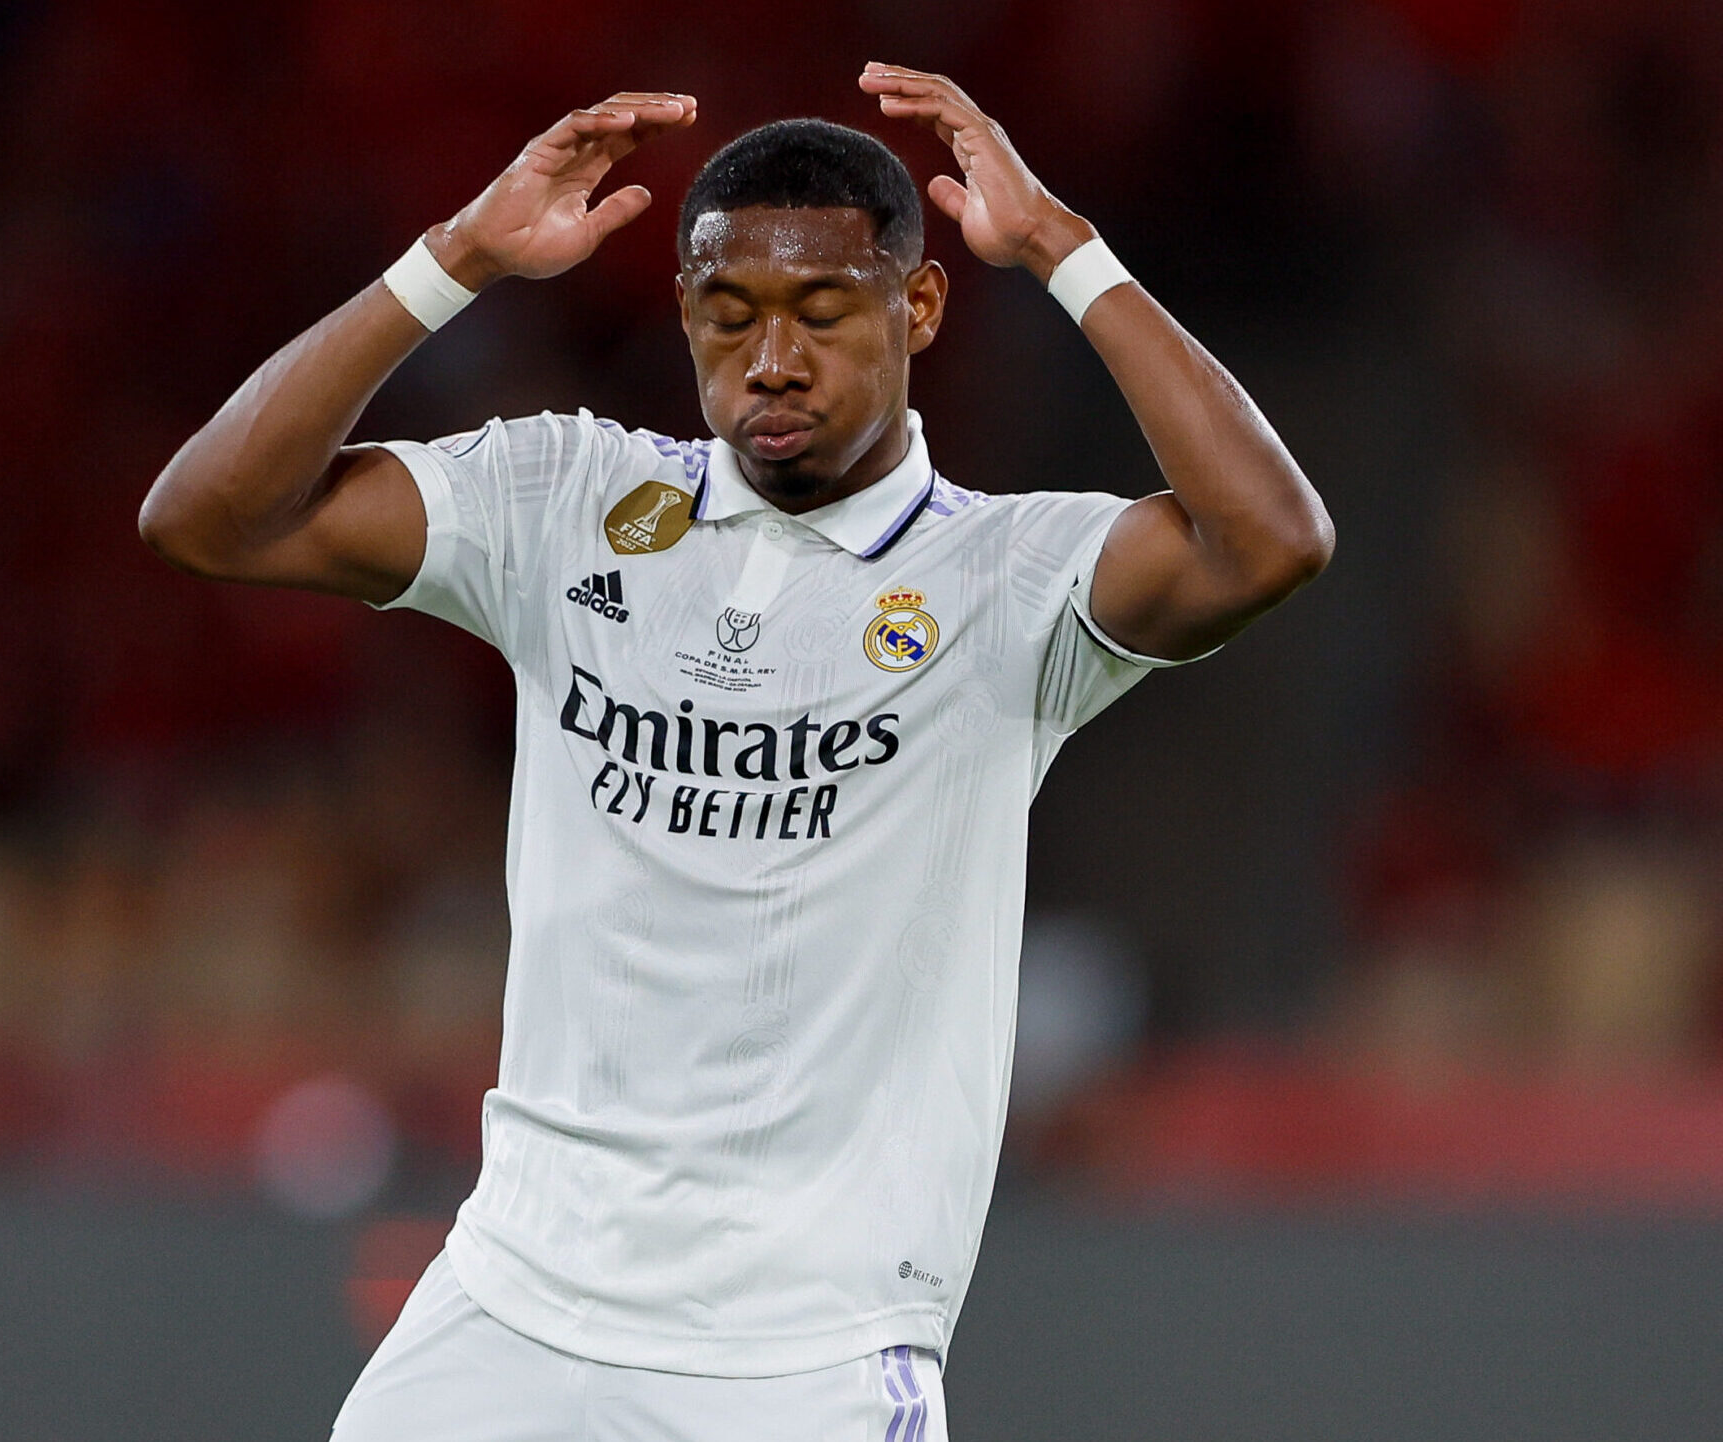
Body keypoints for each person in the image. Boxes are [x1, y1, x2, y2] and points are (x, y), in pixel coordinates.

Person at [140, 63, 1332, 1442]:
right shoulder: (567, 498)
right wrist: (453, 259)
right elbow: (208, 517)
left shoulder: (1003, 575)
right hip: (517, 1302)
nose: (771, 356)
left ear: (919, 307)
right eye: (729, 314)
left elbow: (1271, 537)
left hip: (803, 1354)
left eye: (823, 311)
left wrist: (1068, 254)